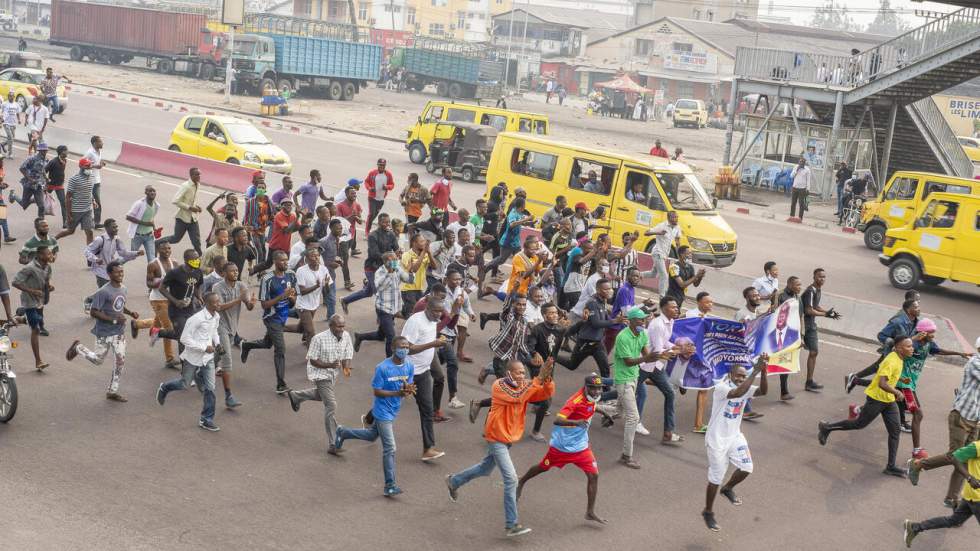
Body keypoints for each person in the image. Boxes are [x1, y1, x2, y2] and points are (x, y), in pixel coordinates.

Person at [445, 359, 555, 538]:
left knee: (484, 468)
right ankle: (511, 524)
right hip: (496, 437)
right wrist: (536, 380)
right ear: (508, 373)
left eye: (523, 372)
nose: (522, 375)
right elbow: (517, 397)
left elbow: (543, 395)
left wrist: (547, 379)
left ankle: (454, 481)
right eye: (518, 372)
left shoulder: (525, 385)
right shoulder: (499, 386)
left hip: (508, 438)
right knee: (511, 479)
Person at [818, 335, 915, 478]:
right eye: (909, 346)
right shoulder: (891, 361)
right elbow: (882, 383)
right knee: (858, 424)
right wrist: (896, 392)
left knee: (895, 432)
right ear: (899, 348)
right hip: (876, 399)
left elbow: (889, 379)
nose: (912, 348)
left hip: (888, 400)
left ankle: (891, 466)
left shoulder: (900, 358)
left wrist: (898, 385)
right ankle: (827, 428)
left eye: (912, 346)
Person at [516, 374, 607, 524]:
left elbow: (592, 406)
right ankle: (521, 481)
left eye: (599, 388)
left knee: (593, 476)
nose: (597, 392)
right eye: (594, 388)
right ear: (586, 387)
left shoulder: (592, 398)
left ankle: (590, 512)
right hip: (562, 447)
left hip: (581, 446)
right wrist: (577, 422)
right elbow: (558, 420)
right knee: (542, 467)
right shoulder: (574, 401)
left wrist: (606, 413)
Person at [334, 337, 417, 497]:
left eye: (407, 347)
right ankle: (390, 485)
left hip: (394, 409)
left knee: (372, 436)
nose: (404, 349)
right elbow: (377, 391)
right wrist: (397, 393)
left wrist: (407, 390)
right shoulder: (382, 368)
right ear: (393, 348)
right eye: (401, 346)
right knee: (390, 448)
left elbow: (408, 385)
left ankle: (342, 432)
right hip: (382, 411)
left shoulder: (409, 366)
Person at [907, 336, 980, 509]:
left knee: (966, 459)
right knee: (955, 456)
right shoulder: (975, 362)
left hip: (975, 418)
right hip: (961, 416)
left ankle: (951, 498)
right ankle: (918, 465)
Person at [701, 355, 769, 531]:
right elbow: (737, 394)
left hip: (734, 436)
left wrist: (763, 370)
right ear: (730, 374)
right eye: (737, 375)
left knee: (747, 468)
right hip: (716, 440)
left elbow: (763, 392)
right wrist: (754, 370)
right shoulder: (721, 387)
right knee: (716, 478)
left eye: (743, 376)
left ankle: (728, 488)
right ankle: (708, 512)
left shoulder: (744, 386)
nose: (740, 379)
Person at [65, 261, 138, 402]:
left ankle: (112, 391)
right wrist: (114, 320)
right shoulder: (103, 292)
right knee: (98, 360)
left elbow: (119, 305)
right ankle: (78, 348)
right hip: (104, 332)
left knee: (120, 361)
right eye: (117, 272)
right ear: (109, 274)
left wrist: (130, 313)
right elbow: (93, 312)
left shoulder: (124, 288)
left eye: (122, 271)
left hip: (119, 333)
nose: (120, 274)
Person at [155, 292, 222, 432]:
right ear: (208, 304)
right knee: (184, 384)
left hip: (207, 359)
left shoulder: (216, 316)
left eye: (218, 301)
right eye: (216, 302)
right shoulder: (196, 319)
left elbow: (214, 332)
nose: (219, 303)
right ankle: (164, 387)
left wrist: (218, 343)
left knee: (210, 389)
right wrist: (204, 347)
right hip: (193, 358)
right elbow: (184, 338)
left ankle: (206, 419)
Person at [287, 315, 354, 456]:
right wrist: (329, 365)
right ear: (330, 326)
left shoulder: (346, 336)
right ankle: (333, 443)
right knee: (331, 404)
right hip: (320, 374)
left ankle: (296, 396)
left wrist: (346, 367)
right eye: (338, 326)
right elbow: (312, 360)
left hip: (332, 375)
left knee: (321, 395)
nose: (342, 329)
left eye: (343, 326)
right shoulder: (319, 339)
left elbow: (348, 353)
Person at [604, 307, 662, 468]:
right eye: (639, 320)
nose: (643, 322)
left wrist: (658, 355)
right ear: (630, 321)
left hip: (634, 377)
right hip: (623, 380)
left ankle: (596, 407)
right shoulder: (622, 337)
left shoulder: (642, 333)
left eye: (644, 320)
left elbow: (646, 354)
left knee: (619, 411)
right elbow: (629, 361)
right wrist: (648, 357)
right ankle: (626, 455)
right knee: (633, 417)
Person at [903, 440, 980, 547]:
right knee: (953, 521)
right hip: (977, 497)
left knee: (954, 521)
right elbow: (954, 457)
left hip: (972, 496)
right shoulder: (977, 447)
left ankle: (914, 527)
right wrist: (969, 478)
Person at [240, 250, 297, 394]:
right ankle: (281, 385)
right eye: (282, 260)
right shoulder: (267, 279)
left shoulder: (291, 275)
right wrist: (282, 296)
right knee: (280, 349)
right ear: (275, 262)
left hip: (283, 316)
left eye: (286, 260)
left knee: (267, 344)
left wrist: (291, 299)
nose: (285, 262)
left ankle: (246, 345)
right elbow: (265, 305)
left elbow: (293, 300)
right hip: (271, 318)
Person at [401, 298, 449, 461]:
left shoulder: (433, 320)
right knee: (390, 402)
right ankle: (370, 419)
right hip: (406, 372)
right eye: (436, 311)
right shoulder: (416, 321)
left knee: (427, 410)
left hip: (423, 373)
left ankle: (428, 448)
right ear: (427, 308)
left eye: (441, 311)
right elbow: (406, 348)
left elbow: (427, 341)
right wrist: (432, 344)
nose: (439, 314)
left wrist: (437, 342)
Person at [638, 296, 684, 444]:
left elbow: (665, 342)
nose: (676, 309)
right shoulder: (657, 324)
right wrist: (679, 352)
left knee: (670, 393)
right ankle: (596, 393)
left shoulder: (670, 321)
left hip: (655, 366)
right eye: (673, 307)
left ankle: (668, 433)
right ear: (664, 308)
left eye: (676, 307)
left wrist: (677, 347)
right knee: (623, 388)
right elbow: (658, 351)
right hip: (646, 364)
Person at [353, 251, 414, 357]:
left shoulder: (397, 268)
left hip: (394, 309)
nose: (396, 261)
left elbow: (408, 280)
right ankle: (390, 362)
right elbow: (379, 288)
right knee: (391, 336)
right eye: (393, 259)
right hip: (383, 309)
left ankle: (360, 337)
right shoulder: (380, 272)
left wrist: (411, 271)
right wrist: (389, 273)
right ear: (386, 262)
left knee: (380, 335)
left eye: (396, 258)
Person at [341, 212, 398, 313]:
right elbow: (374, 254)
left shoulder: (391, 234)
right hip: (372, 268)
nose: (388, 224)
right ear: (379, 223)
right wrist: (389, 258)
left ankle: (345, 300)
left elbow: (396, 250)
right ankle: (383, 318)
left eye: (389, 222)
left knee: (368, 292)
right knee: (380, 293)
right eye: (385, 222)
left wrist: (396, 259)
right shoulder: (373, 236)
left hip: (385, 268)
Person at [12, 245, 53, 370]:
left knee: (37, 319)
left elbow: (46, 280)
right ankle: (38, 361)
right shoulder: (29, 268)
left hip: (39, 300)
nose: (51, 256)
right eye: (48, 254)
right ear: (40, 255)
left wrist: (49, 287)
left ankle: (21, 318)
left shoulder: (48, 267)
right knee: (35, 329)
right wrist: (32, 291)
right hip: (29, 301)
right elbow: (15, 282)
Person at [801, 268, 839, 392]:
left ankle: (809, 382)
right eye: (819, 277)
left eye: (823, 277)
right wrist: (825, 315)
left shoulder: (818, 289)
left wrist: (827, 311)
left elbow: (815, 306)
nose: (822, 279)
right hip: (805, 326)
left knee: (813, 352)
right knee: (813, 352)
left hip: (810, 325)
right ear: (814, 277)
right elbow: (808, 310)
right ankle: (808, 382)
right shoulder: (810, 291)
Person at [84, 219, 143, 289]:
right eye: (113, 227)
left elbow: (124, 253)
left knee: (114, 292)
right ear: (106, 228)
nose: (116, 229)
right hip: (101, 272)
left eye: (116, 227)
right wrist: (96, 259)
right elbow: (87, 251)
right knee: (105, 293)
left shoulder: (117, 239)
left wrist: (136, 253)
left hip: (113, 271)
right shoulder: (100, 240)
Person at [157, 167, 203, 256]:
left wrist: (196, 207)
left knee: (197, 242)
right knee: (176, 239)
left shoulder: (198, 185)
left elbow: (191, 200)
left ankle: (199, 260)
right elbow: (175, 200)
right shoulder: (186, 186)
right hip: (182, 218)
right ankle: (157, 242)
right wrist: (189, 208)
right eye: (197, 174)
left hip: (193, 219)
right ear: (191, 175)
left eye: (200, 174)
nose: (199, 176)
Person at [55, 157, 97, 244]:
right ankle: (53, 240)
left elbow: (89, 191)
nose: (90, 167)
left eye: (90, 165)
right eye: (87, 166)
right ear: (81, 167)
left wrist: (93, 201)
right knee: (70, 231)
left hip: (87, 210)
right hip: (76, 211)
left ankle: (90, 253)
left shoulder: (92, 177)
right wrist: (68, 214)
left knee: (89, 232)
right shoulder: (74, 179)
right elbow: (68, 197)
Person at [295, 248, 331, 345]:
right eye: (313, 256)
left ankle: (278, 328)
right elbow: (302, 292)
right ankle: (312, 358)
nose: (316, 258)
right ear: (306, 259)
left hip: (314, 304)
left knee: (300, 329)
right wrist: (316, 286)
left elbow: (327, 292)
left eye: (318, 255)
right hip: (302, 305)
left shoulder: (324, 269)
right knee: (311, 332)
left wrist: (326, 285)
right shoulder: (301, 271)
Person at [644, 211, 682, 297]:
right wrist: (659, 233)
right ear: (669, 218)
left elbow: (677, 240)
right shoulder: (662, 226)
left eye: (677, 217)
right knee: (664, 276)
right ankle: (663, 297)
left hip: (664, 255)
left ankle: (636, 275)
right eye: (674, 217)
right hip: (658, 253)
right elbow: (646, 233)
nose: (676, 219)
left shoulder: (677, 227)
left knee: (653, 273)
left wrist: (679, 251)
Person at [123, 185, 159, 260]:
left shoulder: (156, 205)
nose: (152, 192)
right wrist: (145, 223)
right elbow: (128, 217)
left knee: (152, 259)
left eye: (154, 191)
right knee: (131, 257)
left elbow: (151, 219)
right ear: (146, 192)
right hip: (137, 236)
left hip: (149, 236)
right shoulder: (139, 204)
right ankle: (114, 265)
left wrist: (155, 229)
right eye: (150, 191)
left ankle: (153, 272)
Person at [364, 158, 395, 236]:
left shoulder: (388, 174)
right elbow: (366, 182)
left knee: (374, 215)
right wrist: (370, 188)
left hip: (381, 199)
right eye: (380, 165)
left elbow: (392, 185)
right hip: (372, 198)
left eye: (383, 165)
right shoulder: (372, 173)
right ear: (377, 165)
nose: (382, 167)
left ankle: (369, 225)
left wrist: (387, 187)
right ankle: (367, 232)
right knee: (371, 214)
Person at [17, 141, 48, 217]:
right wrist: (30, 179)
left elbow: (42, 169)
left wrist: (46, 178)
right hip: (29, 185)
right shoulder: (32, 158)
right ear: (40, 150)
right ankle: (14, 195)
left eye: (46, 150)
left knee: (41, 206)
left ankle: (40, 222)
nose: (45, 151)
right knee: (24, 205)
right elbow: (22, 168)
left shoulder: (46, 160)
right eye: (43, 150)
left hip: (38, 185)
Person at [82, 136, 107, 228]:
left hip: (97, 180)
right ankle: (95, 222)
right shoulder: (89, 153)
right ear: (95, 143)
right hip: (90, 180)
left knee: (95, 202)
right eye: (100, 142)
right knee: (93, 202)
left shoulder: (99, 151)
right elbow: (82, 164)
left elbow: (95, 162)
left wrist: (101, 163)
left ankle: (95, 221)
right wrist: (96, 166)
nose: (102, 143)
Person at [336, 184, 364, 258]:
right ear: (346, 194)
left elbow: (360, 222)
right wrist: (352, 216)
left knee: (342, 257)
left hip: (351, 235)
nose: (354, 195)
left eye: (355, 193)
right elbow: (339, 222)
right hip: (342, 234)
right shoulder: (339, 206)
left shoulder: (357, 205)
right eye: (352, 193)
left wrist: (356, 217)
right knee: (344, 256)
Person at [44, 145, 68, 227]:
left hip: (59, 186)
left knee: (63, 203)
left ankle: (65, 223)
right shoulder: (53, 162)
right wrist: (46, 180)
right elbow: (44, 171)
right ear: (61, 152)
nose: (67, 152)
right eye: (66, 151)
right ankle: (41, 219)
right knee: (41, 201)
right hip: (50, 185)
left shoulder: (65, 160)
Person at [1, 91, 20, 159]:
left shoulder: (16, 104)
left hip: (13, 123)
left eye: (12, 96)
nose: (10, 97)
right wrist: (1, 119)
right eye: (9, 96)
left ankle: (2, 144)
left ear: (14, 97)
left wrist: (19, 119)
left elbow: (17, 113)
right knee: (11, 138)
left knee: (12, 138)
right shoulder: (4, 104)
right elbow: (1, 111)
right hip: (6, 123)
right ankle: (10, 153)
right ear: (8, 96)